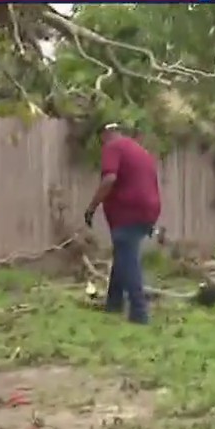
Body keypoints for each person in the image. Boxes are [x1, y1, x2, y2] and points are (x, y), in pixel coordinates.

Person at [84, 124, 161, 324]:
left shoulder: (113, 146)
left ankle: (139, 312)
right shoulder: (140, 151)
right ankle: (114, 304)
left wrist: (92, 207)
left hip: (128, 212)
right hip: (148, 210)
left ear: (105, 134)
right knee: (123, 253)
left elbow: (110, 178)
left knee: (128, 258)